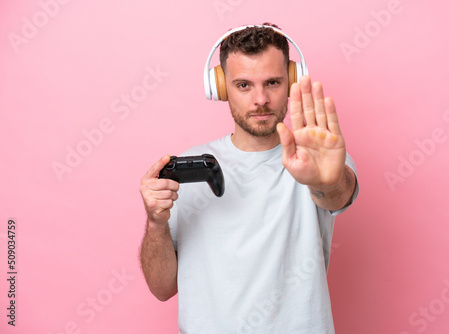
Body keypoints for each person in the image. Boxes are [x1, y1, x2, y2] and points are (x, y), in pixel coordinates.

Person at [139, 23, 359, 333]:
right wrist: (155, 223)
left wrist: (325, 181)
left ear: (292, 81)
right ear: (220, 86)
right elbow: (162, 288)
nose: (260, 99)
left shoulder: (316, 156)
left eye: (272, 82)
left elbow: (337, 194)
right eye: (243, 85)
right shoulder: (187, 170)